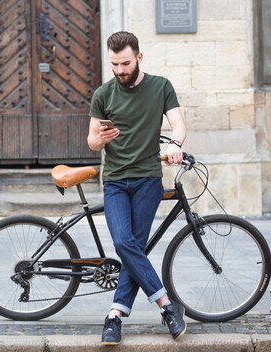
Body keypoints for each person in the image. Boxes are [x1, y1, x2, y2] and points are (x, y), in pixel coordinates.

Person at [87, 31, 188, 346]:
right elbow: (91, 140)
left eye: (125, 63)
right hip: (115, 179)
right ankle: (166, 306)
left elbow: (179, 124)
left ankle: (114, 317)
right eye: (114, 64)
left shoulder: (161, 87)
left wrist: (174, 144)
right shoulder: (103, 94)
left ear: (139, 58)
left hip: (147, 179)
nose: (119, 70)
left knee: (133, 247)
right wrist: (99, 140)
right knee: (123, 243)